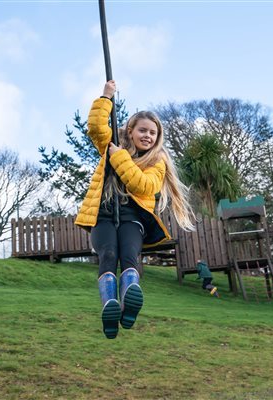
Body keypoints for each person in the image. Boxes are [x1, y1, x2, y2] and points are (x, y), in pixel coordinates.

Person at [75, 80, 195, 339]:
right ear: (130, 130)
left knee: (129, 255)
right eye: (142, 130)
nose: (147, 136)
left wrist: (119, 157)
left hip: (133, 218)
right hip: (103, 214)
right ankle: (110, 305)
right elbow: (96, 128)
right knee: (108, 255)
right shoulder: (112, 144)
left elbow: (141, 184)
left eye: (153, 133)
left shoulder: (157, 161)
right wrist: (106, 97)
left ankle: (130, 298)